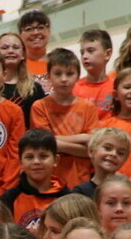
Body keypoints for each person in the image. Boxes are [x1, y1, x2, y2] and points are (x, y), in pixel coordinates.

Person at [33, 48, 101, 190]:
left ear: (77, 77)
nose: (64, 79)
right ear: (48, 76)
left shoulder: (88, 107)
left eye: (69, 74)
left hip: (81, 179)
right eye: (58, 74)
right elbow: (45, 145)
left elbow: (92, 148)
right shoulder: (39, 106)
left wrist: (55, 141)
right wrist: (83, 137)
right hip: (50, 180)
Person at [1, 129, 70, 230]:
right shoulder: (8, 200)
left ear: (56, 160)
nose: (36, 162)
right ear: (21, 163)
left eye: (43, 156)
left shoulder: (67, 198)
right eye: (29, 157)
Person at [74, 30, 115, 115]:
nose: (85, 56)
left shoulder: (116, 87)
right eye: (82, 52)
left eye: (91, 51)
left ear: (107, 54)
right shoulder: (74, 88)